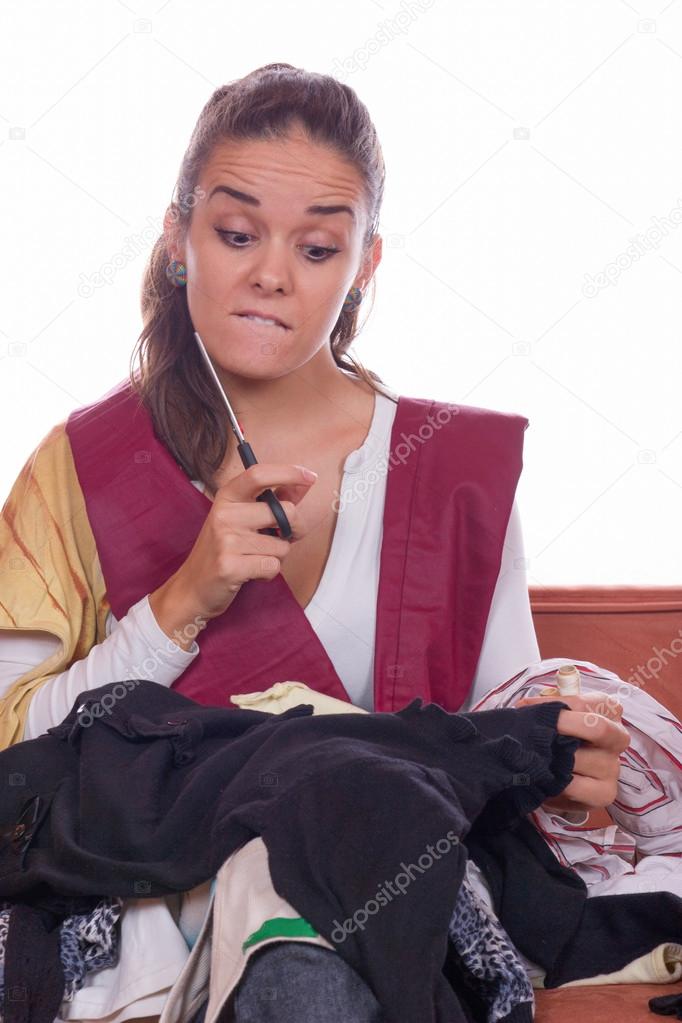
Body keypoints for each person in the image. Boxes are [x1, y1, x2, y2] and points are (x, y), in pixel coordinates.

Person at [0, 63, 629, 1023]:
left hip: (389, 882)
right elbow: (16, 759)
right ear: (179, 240)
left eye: (319, 246)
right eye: (237, 232)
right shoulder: (81, 466)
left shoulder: (453, 464)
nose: (271, 275)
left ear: (365, 264)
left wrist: (567, 759)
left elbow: (493, 725)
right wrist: (184, 600)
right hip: (167, 892)